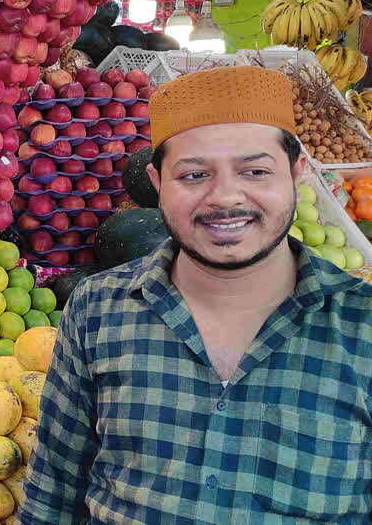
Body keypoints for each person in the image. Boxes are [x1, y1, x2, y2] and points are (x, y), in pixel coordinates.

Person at [21, 66, 372, 523]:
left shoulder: (361, 327)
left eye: (255, 170)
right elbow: (52, 494)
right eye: (193, 175)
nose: (225, 197)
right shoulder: (98, 309)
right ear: (157, 181)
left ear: (297, 173)